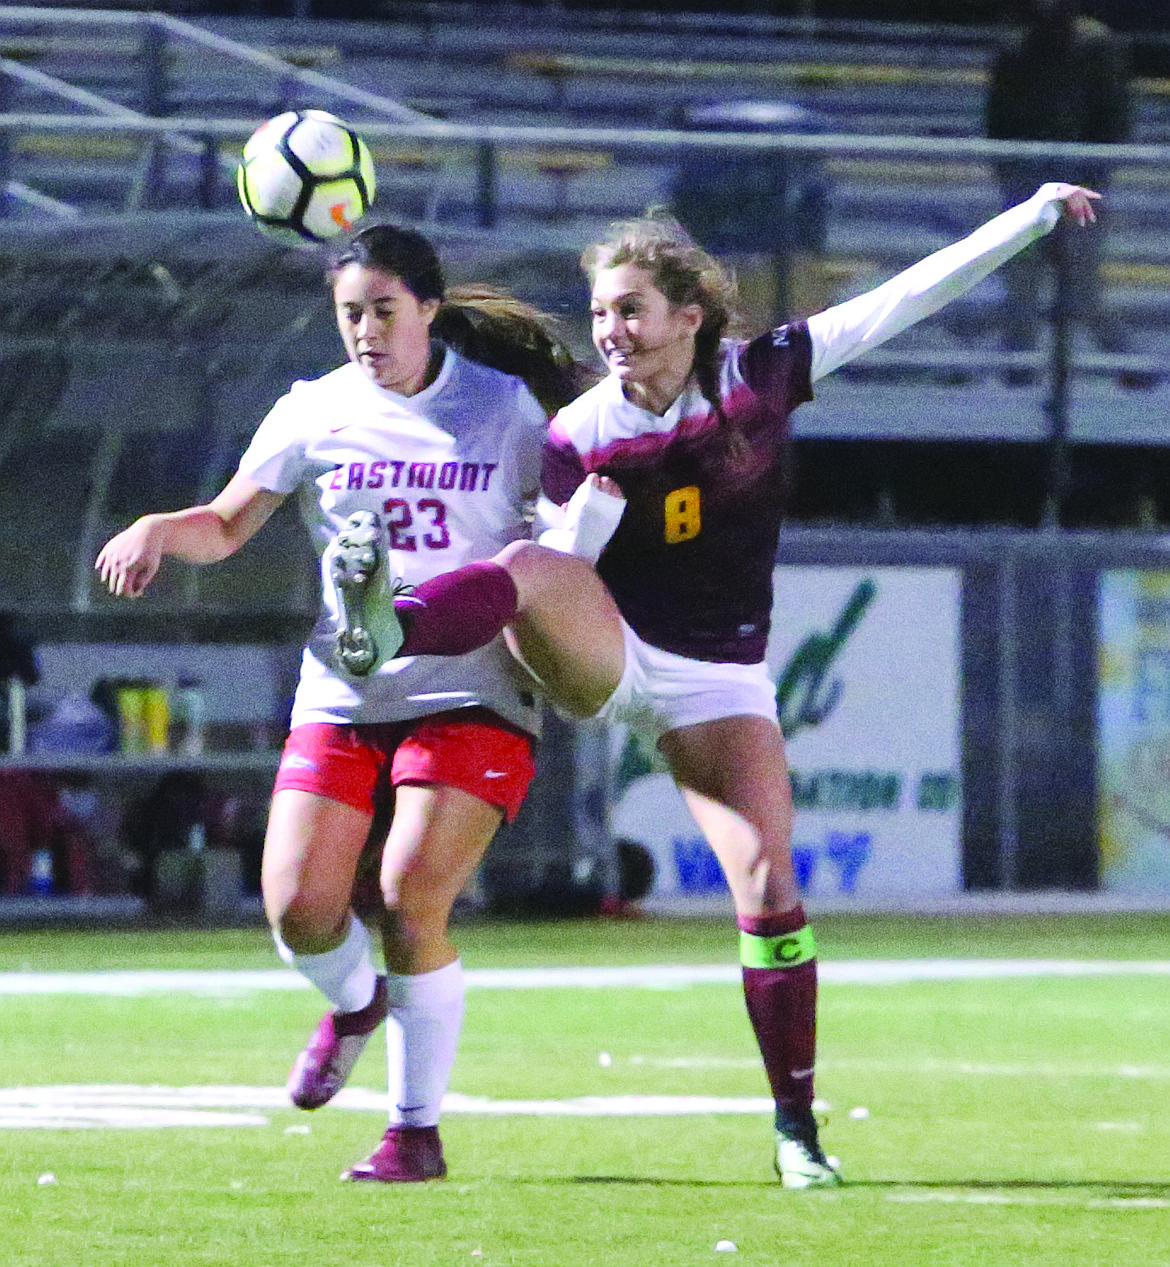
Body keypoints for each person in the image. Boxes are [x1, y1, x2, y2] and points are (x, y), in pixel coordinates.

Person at [320, 181, 1101, 1188]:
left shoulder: (759, 380)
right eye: (600, 313)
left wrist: (1030, 216)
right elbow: (566, 570)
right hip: (610, 654)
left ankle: (795, 1133)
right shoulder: (581, 432)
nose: (613, 332)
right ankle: (388, 627)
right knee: (527, 569)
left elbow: (903, 298)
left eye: (632, 311)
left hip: (717, 682)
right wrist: (588, 523)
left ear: (689, 315)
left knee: (772, 891)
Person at [94, 223, 591, 1184]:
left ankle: (415, 1132)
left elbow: (568, 535)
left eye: (383, 310)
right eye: (349, 313)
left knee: (410, 900)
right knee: (299, 908)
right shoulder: (312, 409)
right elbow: (229, 524)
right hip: (347, 688)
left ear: (430, 308)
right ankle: (356, 1003)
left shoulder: (506, 409)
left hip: (470, 691)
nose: (365, 330)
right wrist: (159, 527)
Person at [985, 0, 1142, 383]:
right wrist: (1011, 176)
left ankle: (1133, 369)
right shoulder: (1015, 48)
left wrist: (1092, 176)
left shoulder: (1097, 45)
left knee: (1083, 291)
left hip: (1080, 185)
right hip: (1027, 186)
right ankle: (1017, 376)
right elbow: (999, 120)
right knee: (1022, 286)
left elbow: (1113, 117)